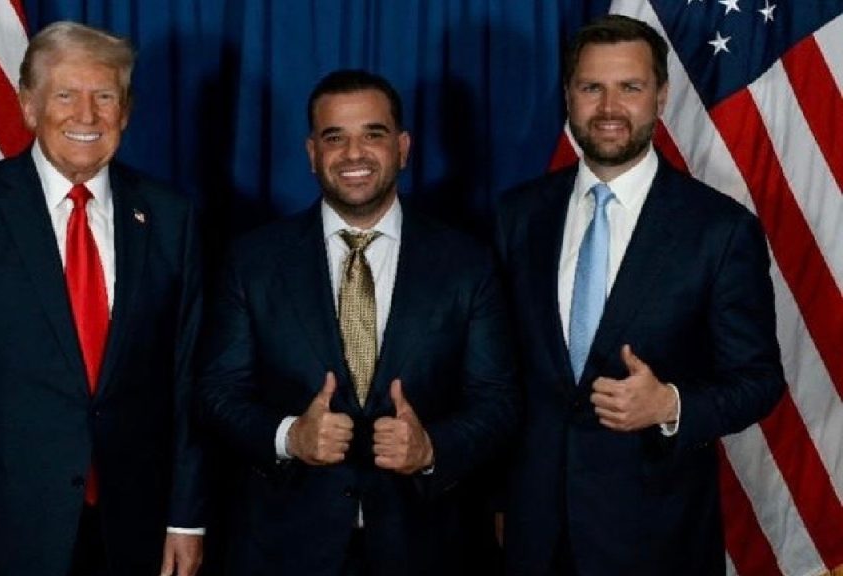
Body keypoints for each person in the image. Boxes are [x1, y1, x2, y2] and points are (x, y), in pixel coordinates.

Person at [0, 21, 205, 576]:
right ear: (29, 105)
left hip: (135, 527)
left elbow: (187, 377)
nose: (86, 115)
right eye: (65, 94)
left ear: (125, 110)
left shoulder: (171, 219)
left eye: (104, 96)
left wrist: (186, 518)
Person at [492, 14, 786, 575]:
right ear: (568, 96)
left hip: (657, 534)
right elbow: (502, 374)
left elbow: (759, 381)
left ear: (661, 96)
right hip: (533, 532)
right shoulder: (518, 216)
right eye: (591, 87)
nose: (609, 108)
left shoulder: (718, 230)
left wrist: (670, 404)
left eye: (630, 87)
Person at [196, 69, 518, 576]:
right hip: (284, 548)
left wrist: (432, 447)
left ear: (403, 146)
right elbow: (217, 390)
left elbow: (498, 400)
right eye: (334, 138)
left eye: (373, 134)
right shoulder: (252, 261)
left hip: (425, 546)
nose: (354, 154)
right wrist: (289, 437)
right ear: (311, 153)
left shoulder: (466, 263)